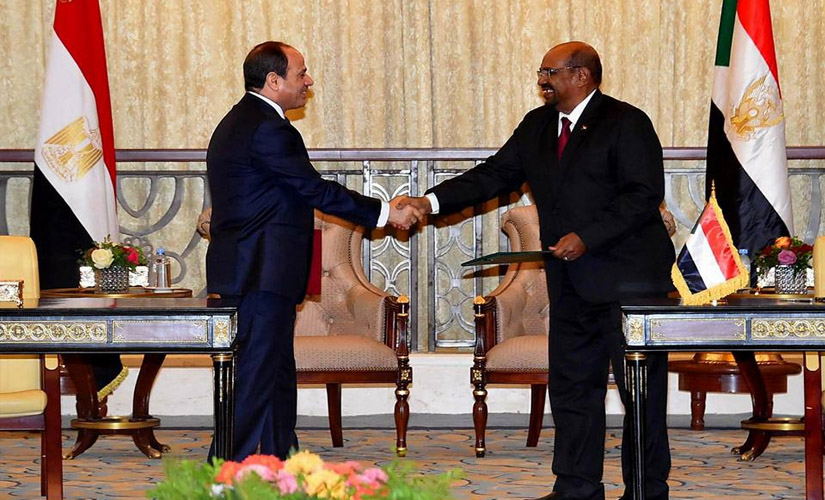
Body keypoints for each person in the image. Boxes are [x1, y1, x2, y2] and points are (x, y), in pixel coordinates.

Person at [400, 41, 674, 500]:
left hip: (629, 282)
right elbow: (492, 176)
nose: (543, 81)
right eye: (542, 73)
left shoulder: (626, 122)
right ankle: (576, 488)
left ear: (581, 75)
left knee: (640, 395)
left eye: (550, 72)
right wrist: (428, 202)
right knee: (572, 389)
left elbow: (642, 195)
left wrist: (587, 236)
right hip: (570, 282)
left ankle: (646, 492)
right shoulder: (538, 125)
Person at [205, 41, 421, 462]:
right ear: (274, 81)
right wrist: (384, 212)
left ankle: (282, 462)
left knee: (274, 375)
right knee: (254, 379)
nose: (309, 81)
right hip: (259, 274)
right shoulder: (266, 127)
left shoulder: (245, 120)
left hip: (256, 272)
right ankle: (225, 472)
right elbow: (314, 190)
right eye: (301, 73)